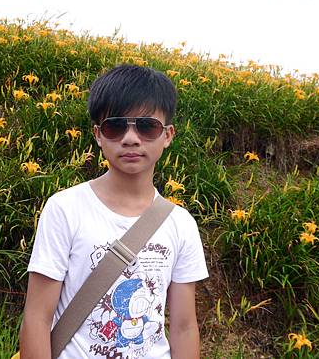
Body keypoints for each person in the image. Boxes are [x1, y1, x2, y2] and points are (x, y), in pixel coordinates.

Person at [18, 64, 208, 359]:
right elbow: (36, 317)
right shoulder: (65, 209)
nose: (131, 138)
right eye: (115, 127)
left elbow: (184, 327)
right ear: (98, 134)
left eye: (147, 126)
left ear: (168, 135)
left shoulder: (181, 224)